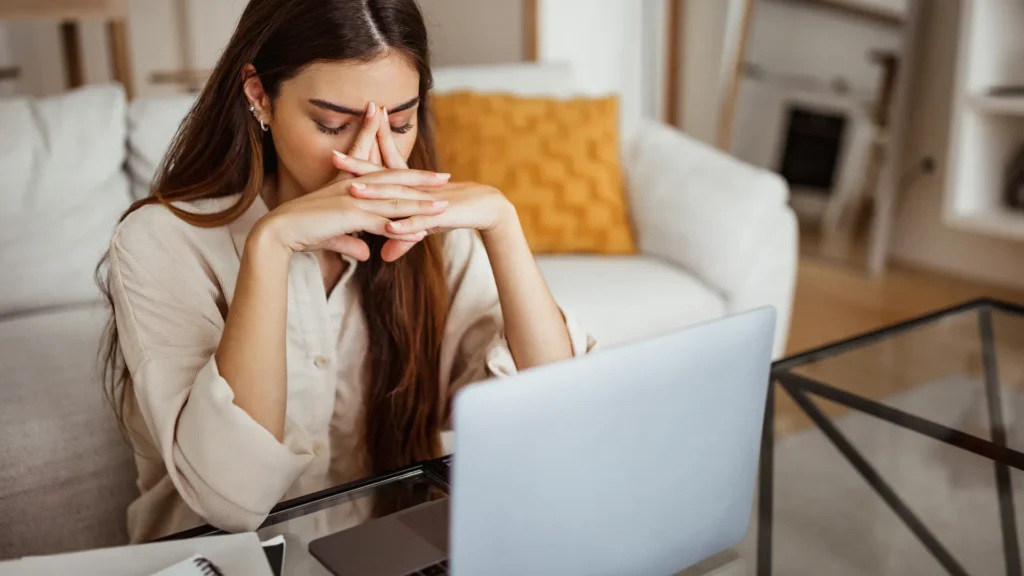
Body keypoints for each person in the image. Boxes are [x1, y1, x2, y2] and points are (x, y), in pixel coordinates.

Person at [99, 0, 594, 543]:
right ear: (259, 94)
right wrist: (272, 244)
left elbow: (559, 426)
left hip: (387, 553)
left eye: (399, 123)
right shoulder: (161, 241)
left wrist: (502, 223)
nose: (371, 155)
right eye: (332, 124)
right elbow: (232, 500)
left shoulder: (433, 238)